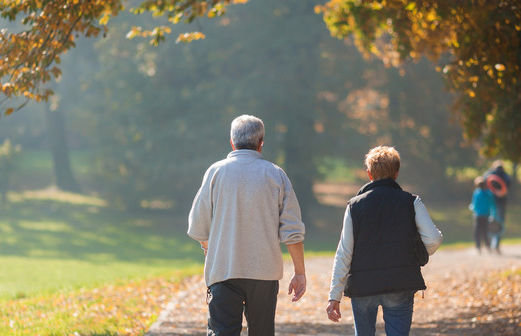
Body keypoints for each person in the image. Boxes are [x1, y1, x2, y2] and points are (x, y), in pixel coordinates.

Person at [187, 115, 306, 336]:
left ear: (232, 142)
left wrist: (210, 253)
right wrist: (300, 272)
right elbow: (292, 232)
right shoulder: (276, 174)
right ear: (261, 144)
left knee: (222, 332)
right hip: (264, 273)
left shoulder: (215, 172)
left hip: (223, 270)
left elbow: (198, 226)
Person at [325, 146, 443, 336]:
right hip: (400, 283)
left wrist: (334, 296)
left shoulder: (354, 206)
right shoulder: (411, 202)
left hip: (363, 285)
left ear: (369, 174)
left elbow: (344, 252)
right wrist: (414, 254)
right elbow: (434, 239)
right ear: (396, 174)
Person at [484, 160, 511, 253]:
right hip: (501, 202)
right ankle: (497, 245)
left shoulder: (488, 174)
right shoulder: (505, 175)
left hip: (489, 202)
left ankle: (488, 244)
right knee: (500, 224)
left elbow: (484, 182)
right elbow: (508, 185)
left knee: (488, 223)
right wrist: (501, 192)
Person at [470, 176, 496, 254]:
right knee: (485, 232)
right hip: (486, 215)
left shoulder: (476, 193)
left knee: (477, 232)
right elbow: (492, 206)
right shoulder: (489, 194)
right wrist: (493, 215)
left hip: (478, 215)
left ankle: (478, 248)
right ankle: (488, 247)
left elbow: (474, 205)